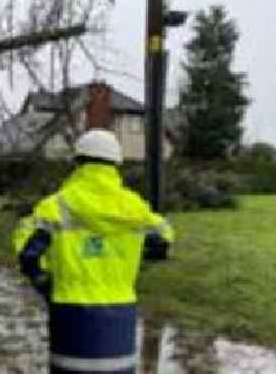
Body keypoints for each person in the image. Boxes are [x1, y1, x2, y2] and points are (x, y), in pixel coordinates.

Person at [13, 126, 174, 373]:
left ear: (78, 162)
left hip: (71, 313)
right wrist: (128, 259)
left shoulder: (56, 206)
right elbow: (163, 240)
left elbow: (27, 251)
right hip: (120, 313)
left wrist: (45, 282)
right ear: (116, 163)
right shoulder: (134, 207)